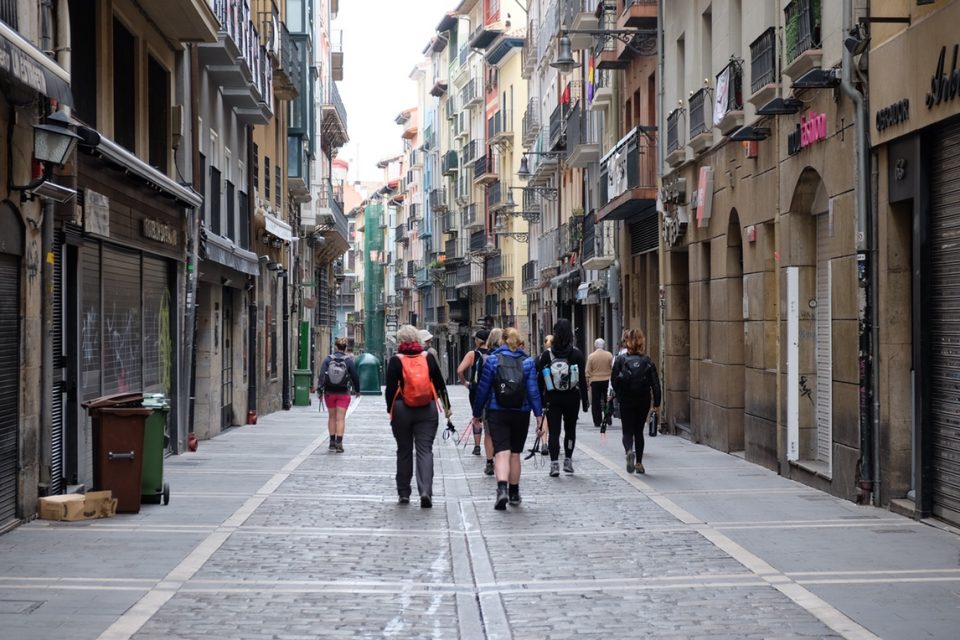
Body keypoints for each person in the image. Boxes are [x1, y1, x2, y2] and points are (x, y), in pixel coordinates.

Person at [470, 327, 543, 510]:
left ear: (501, 341)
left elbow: (483, 389)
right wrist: (539, 415)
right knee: (515, 454)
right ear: (519, 342)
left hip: (497, 411)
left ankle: (501, 489)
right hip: (521, 412)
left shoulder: (493, 360)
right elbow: (533, 391)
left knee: (502, 452)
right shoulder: (527, 362)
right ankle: (514, 492)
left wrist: (477, 413)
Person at [385, 324, 452, 507]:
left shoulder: (396, 360)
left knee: (404, 451)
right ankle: (425, 491)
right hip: (427, 408)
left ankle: (404, 493)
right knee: (425, 451)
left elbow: (390, 390)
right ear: (417, 340)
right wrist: (447, 407)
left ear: (400, 341)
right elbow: (439, 384)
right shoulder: (428, 357)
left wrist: (390, 410)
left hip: (401, 409)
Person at [535, 319, 588, 476]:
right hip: (572, 397)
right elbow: (582, 380)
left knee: (555, 432)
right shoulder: (577, 354)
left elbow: (539, 380)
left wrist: (541, 402)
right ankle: (568, 461)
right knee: (570, 430)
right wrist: (585, 401)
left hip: (553, 398)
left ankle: (554, 465)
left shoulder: (546, 355)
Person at [611, 328, 661, 474]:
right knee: (638, 431)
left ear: (627, 342)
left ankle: (629, 451)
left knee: (627, 431)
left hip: (626, 399)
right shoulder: (647, 361)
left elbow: (614, 380)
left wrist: (619, 396)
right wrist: (656, 403)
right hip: (643, 399)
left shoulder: (620, 360)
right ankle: (639, 463)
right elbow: (655, 384)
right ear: (641, 342)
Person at [318, 337, 360, 452]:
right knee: (340, 419)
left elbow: (322, 375)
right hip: (343, 393)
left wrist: (320, 390)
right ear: (345, 348)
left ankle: (331, 442)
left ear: (336, 346)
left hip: (329, 393)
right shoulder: (349, 361)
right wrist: (357, 390)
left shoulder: (328, 359)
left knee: (331, 417)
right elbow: (355, 376)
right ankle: (339, 443)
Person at [457, 329, 491, 458]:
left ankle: (477, 446)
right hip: (491, 390)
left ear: (478, 340)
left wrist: (465, 383)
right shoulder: (494, 353)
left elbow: (460, 370)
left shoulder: (473, 354)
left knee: (476, 418)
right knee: (489, 417)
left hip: (476, 390)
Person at [586, 338, 614, 428]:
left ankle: (597, 421)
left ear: (595, 345)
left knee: (595, 402)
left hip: (595, 381)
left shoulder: (591, 356)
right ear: (604, 345)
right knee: (607, 399)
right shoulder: (609, 355)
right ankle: (608, 415)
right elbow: (613, 367)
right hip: (607, 380)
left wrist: (590, 378)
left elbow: (587, 371)